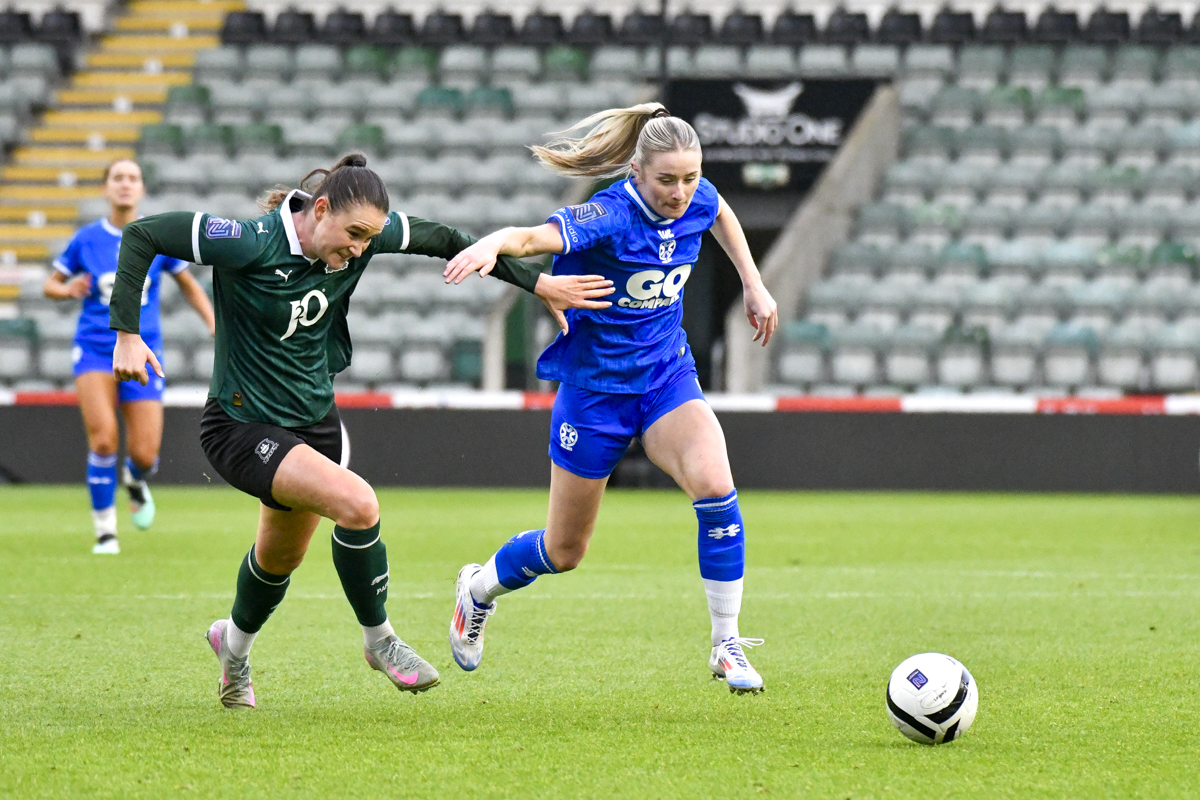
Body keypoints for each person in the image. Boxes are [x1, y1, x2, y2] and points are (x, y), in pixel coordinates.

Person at [107, 153, 615, 708]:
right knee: (359, 505)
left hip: (315, 421)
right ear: (320, 209)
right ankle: (380, 641)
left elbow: (451, 241)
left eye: (370, 238)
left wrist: (538, 283)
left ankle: (232, 649)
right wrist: (127, 332)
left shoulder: (364, 233)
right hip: (241, 424)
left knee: (279, 559)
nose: (360, 248)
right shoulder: (249, 242)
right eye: (353, 235)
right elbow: (143, 234)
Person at [443, 103, 779, 694]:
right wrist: (493, 244)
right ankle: (477, 589)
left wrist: (753, 283)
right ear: (636, 172)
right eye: (667, 180)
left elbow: (720, 211)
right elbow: (533, 237)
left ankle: (726, 643)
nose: (681, 193)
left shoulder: (698, 197)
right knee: (565, 550)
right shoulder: (608, 214)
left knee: (716, 487)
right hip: (594, 392)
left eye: (691, 177)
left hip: (665, 377)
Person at [43, 159, 215, 555]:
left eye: (132, 178)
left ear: (142, 189)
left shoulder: (154, 236)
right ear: (105, 188)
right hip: (95, 349)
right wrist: (68, 290)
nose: (125, 184)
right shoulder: (87, 239)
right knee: (104, 439)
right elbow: (51, 285)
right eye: (117, 178)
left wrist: (212, 323)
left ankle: (135, 479)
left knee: (144, 454)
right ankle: (106, 532)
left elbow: (187, 284)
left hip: (144, 350)